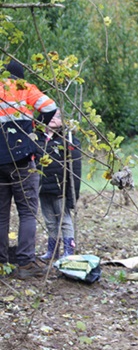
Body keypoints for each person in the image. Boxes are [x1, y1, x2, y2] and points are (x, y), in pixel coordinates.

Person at [0, 60, 57, 279]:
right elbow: (50, 107)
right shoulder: (25, 88)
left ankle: (2, 263)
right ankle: (25, 263)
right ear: (20, 75)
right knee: (27, 211)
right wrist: (37, 130)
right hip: (22, 160)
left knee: (1, 215)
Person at [36, 109, 82, 261]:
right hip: (43, 188)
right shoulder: (38, 138)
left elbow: (75, 168)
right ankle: (52, 250)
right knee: (50, 221)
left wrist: (72, 192)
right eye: (51, 116)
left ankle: (69, 250)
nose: (53, 119)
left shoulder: (68, 140)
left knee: (64, 220)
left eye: (58, 117)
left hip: (60, 188)